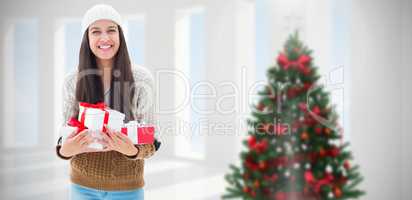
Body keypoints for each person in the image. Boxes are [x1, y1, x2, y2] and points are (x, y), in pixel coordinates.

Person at [55, 4, 160, 200]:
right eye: (96, 31)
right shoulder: (73, 80)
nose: (104, 38)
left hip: (127, 189)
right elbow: (64, 134)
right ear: (87, 38)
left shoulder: (141, 79)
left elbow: (153, 139)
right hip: (81, 187)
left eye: (111, 30)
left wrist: (132, 150)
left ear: (120, 35)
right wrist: (64, 151)